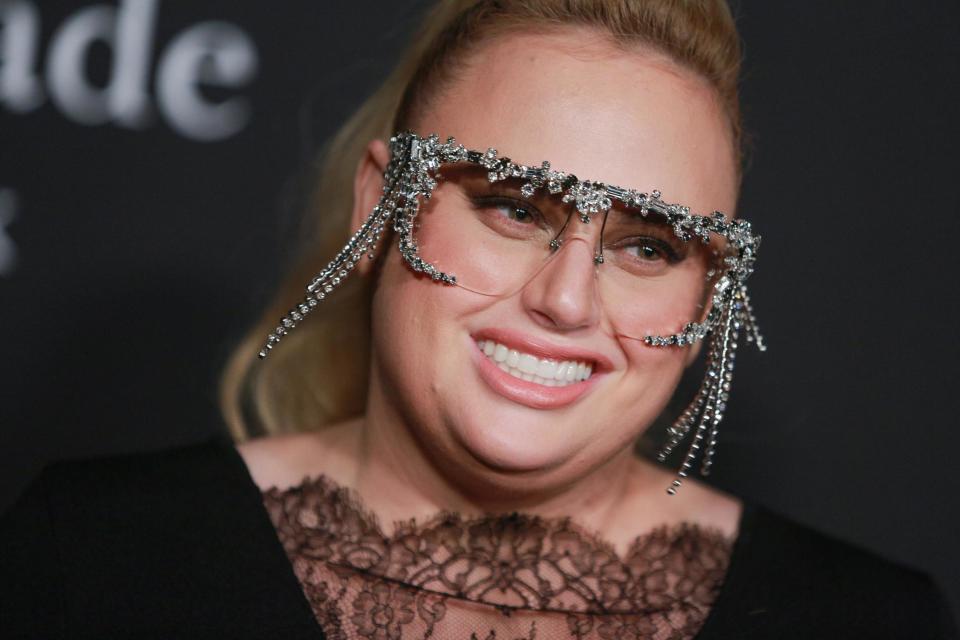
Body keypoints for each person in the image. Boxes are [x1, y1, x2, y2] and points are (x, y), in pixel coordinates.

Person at [1, 1, 956, 638]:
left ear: (711, 294)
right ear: (381, 204)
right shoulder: (92, 561)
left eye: (650, 246)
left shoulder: (866, 622)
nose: (567, 300)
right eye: (514, 208)